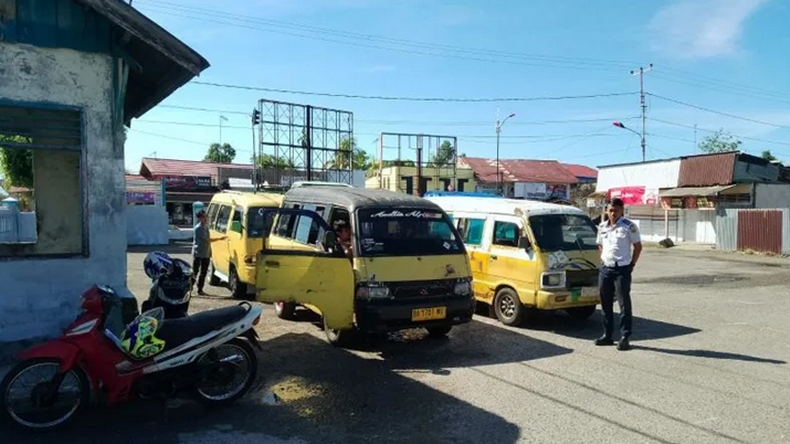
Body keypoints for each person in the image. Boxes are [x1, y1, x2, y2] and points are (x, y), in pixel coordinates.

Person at [594, 198, 642, 351]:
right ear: (606, 211)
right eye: (610, 210)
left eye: (616, 210)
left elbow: (638, 247)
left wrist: (631, 265)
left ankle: (625, 337)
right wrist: (605, 258)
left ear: (622, 210)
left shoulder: (629, 226)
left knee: (624, 305)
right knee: (605, 303)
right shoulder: (602, 226)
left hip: (622, 269)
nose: (613, 213)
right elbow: (600, 244)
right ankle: (607, 335)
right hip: (606, 269)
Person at [192, 210, 226, 295]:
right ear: (200, 218)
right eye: (203, 217)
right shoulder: (198, 228)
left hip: (205, 252)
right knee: (195, 271)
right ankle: (189, 288)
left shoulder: (206, 227)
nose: (206, 218)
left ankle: (200, 289)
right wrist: (220, 238)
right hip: (198, 252)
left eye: (206, 216)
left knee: (203, 272)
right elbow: (207, 240)